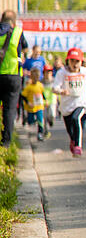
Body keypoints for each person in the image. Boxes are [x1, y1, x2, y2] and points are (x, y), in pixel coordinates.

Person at [52, 48, 86, 157]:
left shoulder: (85, 71)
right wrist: (61, 91)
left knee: (76, 118)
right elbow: (54, 88)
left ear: (81, 62)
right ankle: (74, 141)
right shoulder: (62, 73)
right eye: (72, 61)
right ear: (67, 61)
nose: (74, 64)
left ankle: (78, 146)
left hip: (80, 102)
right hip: (66, 106)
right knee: (70, 130)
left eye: (77, 61)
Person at [0, 10, 27, 147]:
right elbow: (25, 49)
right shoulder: (17, 32)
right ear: (14, 21)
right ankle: (6, 141)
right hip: (13, 75)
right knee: (9, 110)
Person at [21, 67, 46, 142]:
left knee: (40, 120)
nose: (35, 79)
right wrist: (28, 102)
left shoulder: (40, 85)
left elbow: (42, 94)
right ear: (31, 77)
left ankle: (40, 133)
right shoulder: (28, 87)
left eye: (37, 77)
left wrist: (46, 100)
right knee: (30, 121)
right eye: (34, 77)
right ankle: (28, 119)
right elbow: (23, 96)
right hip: (30, 108)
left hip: (39, 107)